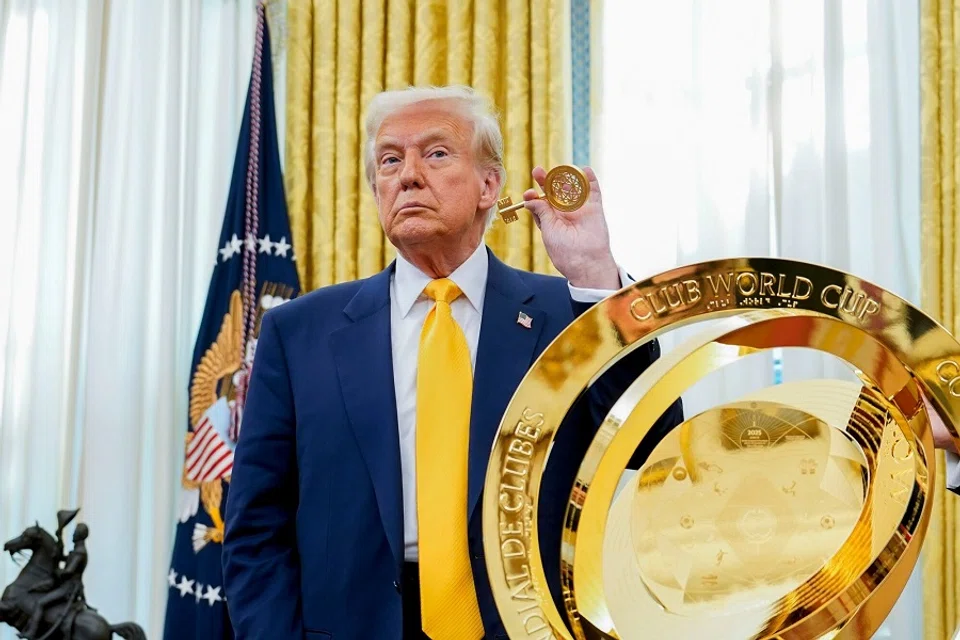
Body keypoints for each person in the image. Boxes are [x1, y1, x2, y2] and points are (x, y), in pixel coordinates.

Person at [222, 84, 684, 639]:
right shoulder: (298, 334)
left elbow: (650, 447)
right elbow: (255, 530)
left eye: (436, 153)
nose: (408, 175)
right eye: (389, 160)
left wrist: (593, 272)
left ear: (490, 185)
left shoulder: (571, 314)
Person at [20, 524, 88, 639]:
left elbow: (68, 571)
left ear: (80, 535)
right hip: (65, 585)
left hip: (68, 588)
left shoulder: (80, 553)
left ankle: (31, 632)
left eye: (75, 532)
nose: (73, 534)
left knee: (41, 603)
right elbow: (62, 558)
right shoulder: (77, 551)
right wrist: (59, 538)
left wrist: (57, 571)